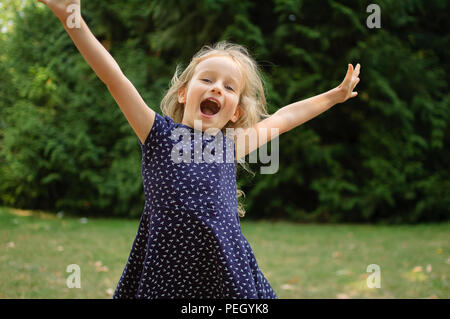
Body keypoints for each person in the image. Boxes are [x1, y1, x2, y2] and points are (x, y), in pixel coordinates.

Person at [38, 0, 361, 299]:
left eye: (229, 87)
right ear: (182, 93)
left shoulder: (230, 145)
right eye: (207, 80)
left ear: (235, 112)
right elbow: (114, 77)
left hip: (225, 270)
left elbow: (285, 117)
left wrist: (334, 96)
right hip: (167, 272)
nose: (217, 88)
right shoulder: (158, 133)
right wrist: (73, 19)